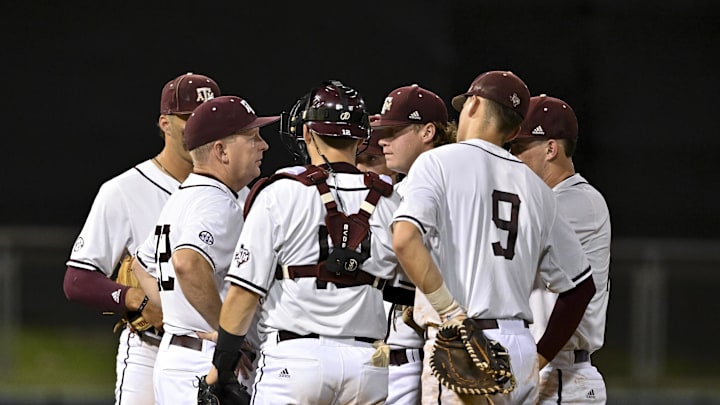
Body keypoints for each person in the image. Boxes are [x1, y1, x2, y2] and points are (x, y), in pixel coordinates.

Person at [391, 70, 596, 405]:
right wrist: (537, 358)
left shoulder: (437, 162)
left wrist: (450, 313)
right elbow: (581, 287)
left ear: (472, 105)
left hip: (461, 343)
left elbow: (404, 238)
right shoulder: (537, 187)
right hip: (519, 347)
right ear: (515, 130)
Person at [202, 80, 401, 405]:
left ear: (307, 133)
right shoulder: (393, 200)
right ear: (362, 137)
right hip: (367, 365)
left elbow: (242, 293)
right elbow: (407, 290)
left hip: (295, 361)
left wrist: (219, 374)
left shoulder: (280, 191)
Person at [63, 72, 220, 405]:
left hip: (220, 352)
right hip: (150, 350)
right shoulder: (123, 190)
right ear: (165, 123)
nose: (201, 128)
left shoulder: (239, 190)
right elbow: (77, 280)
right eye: (189, 118)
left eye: (208, 118)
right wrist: (137, 299)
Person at [132, 95, 277, 404]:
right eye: (252, 137)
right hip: (205, 362)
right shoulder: (216, 201)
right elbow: (186, 263)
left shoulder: (183, 196)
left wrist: (175, 315)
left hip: (179, 357)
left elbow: (140, 267)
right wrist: (227, 338)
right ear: (221, 150)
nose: (263, 145)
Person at [510, 95, 611, 404]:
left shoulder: (579, 202)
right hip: (544, 370)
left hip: (564, 377)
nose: (511, 158)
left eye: (519, 149)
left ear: (551, 148)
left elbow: (511, 245)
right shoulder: (545, 200)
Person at [369, 84, 456, 405]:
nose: (382, 141)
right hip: (385, 354)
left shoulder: (445, 186)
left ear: (428, 131)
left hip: (426, 351)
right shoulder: (404, 190)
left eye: (393, 131)